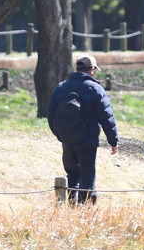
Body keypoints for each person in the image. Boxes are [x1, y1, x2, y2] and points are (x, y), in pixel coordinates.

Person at [47, 55, 118, 205]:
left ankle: (72, 206)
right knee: (87, 176)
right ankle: (85, 209)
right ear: (92, 70)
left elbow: (51, 115)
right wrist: (113, 140)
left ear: (77, 69)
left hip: (67, 140)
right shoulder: (95, 89)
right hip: (87, 141)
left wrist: (61, 134)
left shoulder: (61, 87)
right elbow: (107, 117)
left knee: (72, 175)